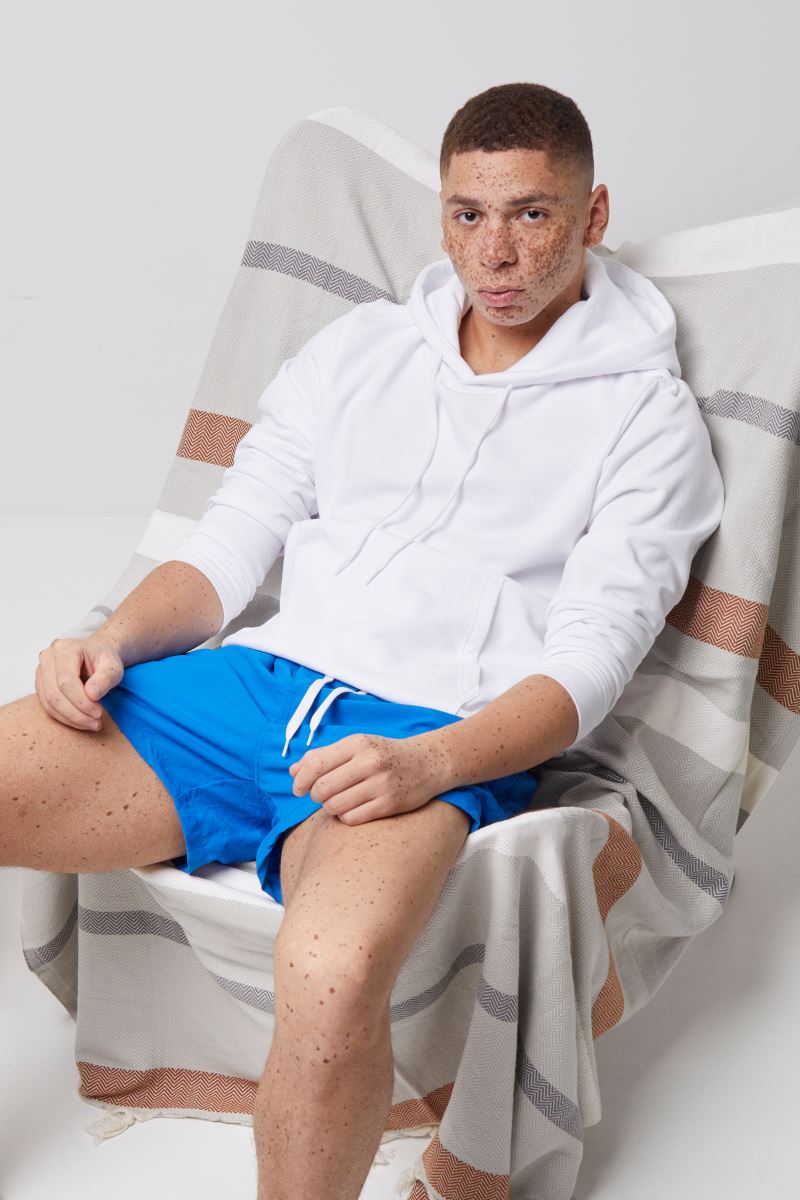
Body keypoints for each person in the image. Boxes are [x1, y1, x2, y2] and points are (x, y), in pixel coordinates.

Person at [0, 81, 725, 1200]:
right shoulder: (361, 351)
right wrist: (114, 638)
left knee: (332, 973)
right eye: (467, 214)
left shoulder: (647, 418)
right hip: (250, 686)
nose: (495, 252)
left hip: (425, 729)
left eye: (531, 214)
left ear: (591, 215)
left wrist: (431, 763)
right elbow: (229, 545)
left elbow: (588, 665)